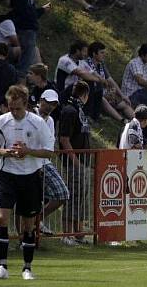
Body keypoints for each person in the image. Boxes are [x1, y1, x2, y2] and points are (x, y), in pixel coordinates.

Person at [0, 85, 55, 280]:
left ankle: (27, 268)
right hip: (7, 175)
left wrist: (28, 151)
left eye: (17, 108)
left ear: (26, 105)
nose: (13, 112)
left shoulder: (38, 123)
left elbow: (49, 151)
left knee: (28, 225)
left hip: (30, 176)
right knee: (2, 219)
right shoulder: (2, 121)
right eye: (10, 107)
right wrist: (4, 151)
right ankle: (2, 267)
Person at [57, 81, 91, 245]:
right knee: (72, 196)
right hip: (73, 162)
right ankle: (67, 234)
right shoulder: (70, 111)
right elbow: (64, 138)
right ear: (85, 95)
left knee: (81, 197)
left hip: (82, 161)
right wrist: (75, 161)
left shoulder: (79, 110)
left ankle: (79, 233)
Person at [34, 89, 70, 236]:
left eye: (53, 104)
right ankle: (26, 234)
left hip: (44, 162)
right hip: (29, 162)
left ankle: (37, 220)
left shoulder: (50, 120)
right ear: (41, 100)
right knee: (27, 202)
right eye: (48, 102)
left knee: (62, 193)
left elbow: (49, 144)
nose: (50, 107)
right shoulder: (30, 115)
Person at [11, 0, 50, 77]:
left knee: (28, 56)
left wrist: (42, 10)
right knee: (26, 59)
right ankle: (20, 78)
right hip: (26, 29)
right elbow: (27, 14)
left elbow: (32, 13)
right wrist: (40, 10)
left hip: (29, 29)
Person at [84, 41, 133, 121]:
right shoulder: (86, 63)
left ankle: (139, 122)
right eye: (102, 53)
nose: (104, 55)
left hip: (103, 91)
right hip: (91, 94)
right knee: (102, 99)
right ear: (94, 54)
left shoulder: (101, 64)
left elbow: (110, 80)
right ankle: (122, 120)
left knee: (124, 103)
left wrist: (122, 95)